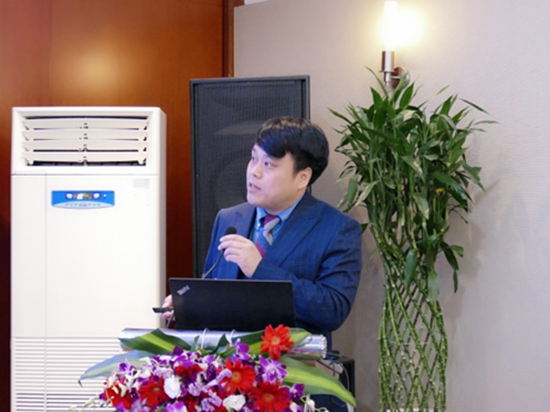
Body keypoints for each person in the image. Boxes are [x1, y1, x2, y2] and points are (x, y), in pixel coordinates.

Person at [162, 116, 362, 349]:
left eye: (268, 164)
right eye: (253, 158)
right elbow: (215, 289)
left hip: (293, 364)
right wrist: (189, 304)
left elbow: (333, 309)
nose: (254, 172)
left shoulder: (337, 229)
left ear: (303, 177)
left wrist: (259, 268)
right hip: (227, 363)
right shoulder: (229, 218)